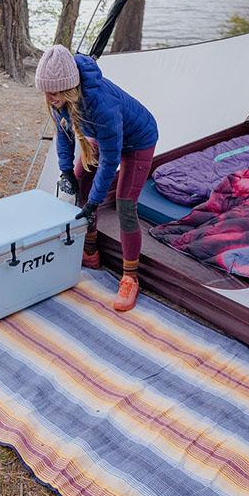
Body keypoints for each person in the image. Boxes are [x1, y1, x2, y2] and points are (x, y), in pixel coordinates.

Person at [35, 45, 158, 312]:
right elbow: (65, 135)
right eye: (45, 91)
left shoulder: (100, 104)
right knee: (79, 183)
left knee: (125, 205)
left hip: (138, 141)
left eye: (53, 92)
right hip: (104, 137)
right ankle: (90, 252)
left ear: (69, 88)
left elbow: (111, 160)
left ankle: (130, 277)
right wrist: (66, 171)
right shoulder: (58, 98)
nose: (49, 97)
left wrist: (94, 202)